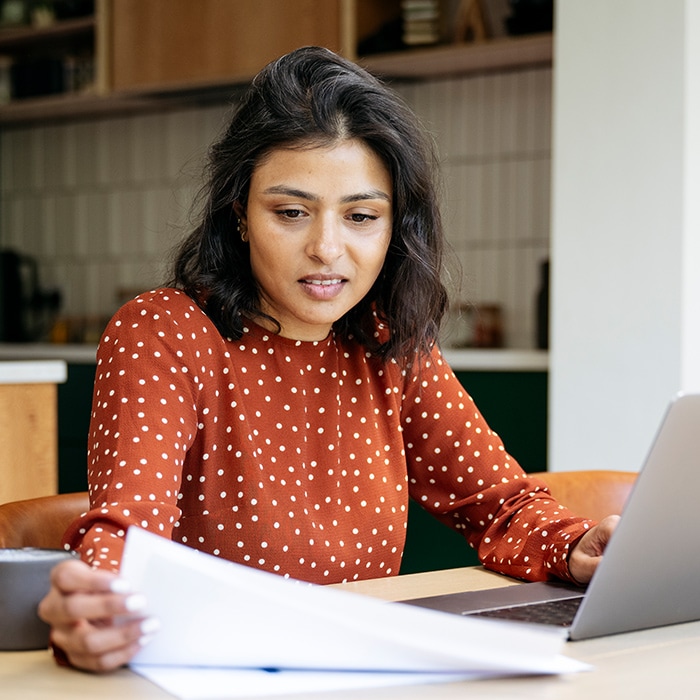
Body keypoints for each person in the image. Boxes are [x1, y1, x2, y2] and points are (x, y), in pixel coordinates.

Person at [38, 46, 619, 672]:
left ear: (396, 227)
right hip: (207, 673)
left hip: (357, 671)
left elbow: (500, 505)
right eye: (291, 212)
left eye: (362, 216)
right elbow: (127, 537)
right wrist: (99, 609)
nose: (326, 248)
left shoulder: (387, 341)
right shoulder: (165, 332)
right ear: (239, 215)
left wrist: (576, 545)